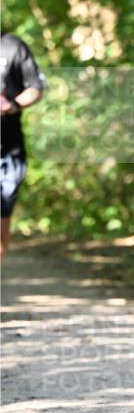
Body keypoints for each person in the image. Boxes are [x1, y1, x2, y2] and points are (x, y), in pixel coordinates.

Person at [1, 31, 47, 258]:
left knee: (1, 221)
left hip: (8, 150)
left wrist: (12, 105)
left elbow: (36, 87)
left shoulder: (13, 46)